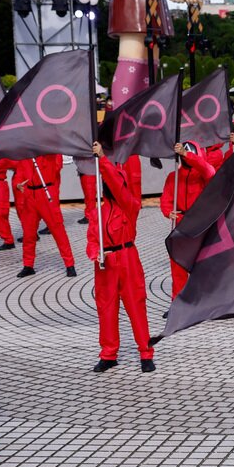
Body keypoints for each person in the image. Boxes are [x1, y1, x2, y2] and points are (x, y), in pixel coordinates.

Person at [88, 144, 155, 372]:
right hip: (105, 264)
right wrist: (95, 253)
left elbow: (118, 187)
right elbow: (91, 239)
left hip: (128, 258)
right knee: (105, 309)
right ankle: (108, 354)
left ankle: (146, 353)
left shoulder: (130, 205)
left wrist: (104, 160)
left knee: (136, 306)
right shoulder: (98, 210)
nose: (110, 185)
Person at [162, 141, 217, 299]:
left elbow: (209, 171)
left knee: (201, 264)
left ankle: (203, 300)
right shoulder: (174, 176)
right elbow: (166, 198)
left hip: (199, 225)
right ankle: (178, 302)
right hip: (180, 224)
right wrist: (167, 212)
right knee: (177, 265)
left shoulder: (202, 174)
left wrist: (187, 154)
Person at [13, 155, 76, 278]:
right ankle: (28, 265)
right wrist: (17, 184)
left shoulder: (50, 151)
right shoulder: (25, 154)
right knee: (28, 233)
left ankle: (69, 264)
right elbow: (19, 173)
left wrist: (44, 155)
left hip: (46, 191)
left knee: (58, 230)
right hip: (30, 195)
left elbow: (57, 166)